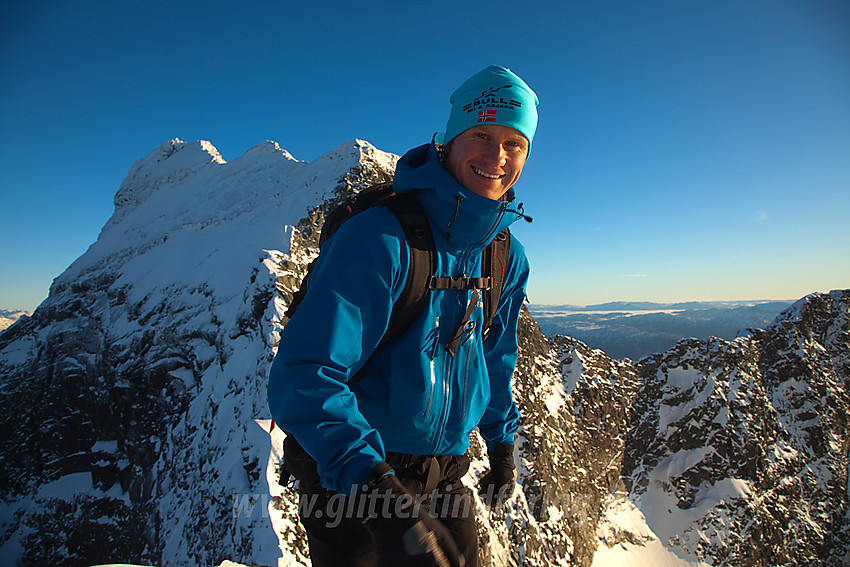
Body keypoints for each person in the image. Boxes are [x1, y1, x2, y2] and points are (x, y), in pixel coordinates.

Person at [267, 65, 539, 567]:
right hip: (354, 480)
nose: (496, 157)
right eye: (482, 134)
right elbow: (305, 373)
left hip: (446, 476)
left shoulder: (506, 255)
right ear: (450, 140)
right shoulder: (381, 239)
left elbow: (495, 356)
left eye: (513, 142)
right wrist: (382, 495)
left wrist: (501, 443)